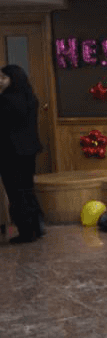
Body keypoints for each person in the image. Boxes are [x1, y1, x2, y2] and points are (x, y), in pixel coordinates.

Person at [0, 65, 45, 244]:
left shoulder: (5, 100)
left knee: (16, 193)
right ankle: (37, 227)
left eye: (3, 78)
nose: (0, 81)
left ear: (13, 79)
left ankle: (26, 232)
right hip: (29, 151)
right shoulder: (30, 97)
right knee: (27, 190)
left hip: (10, 153)